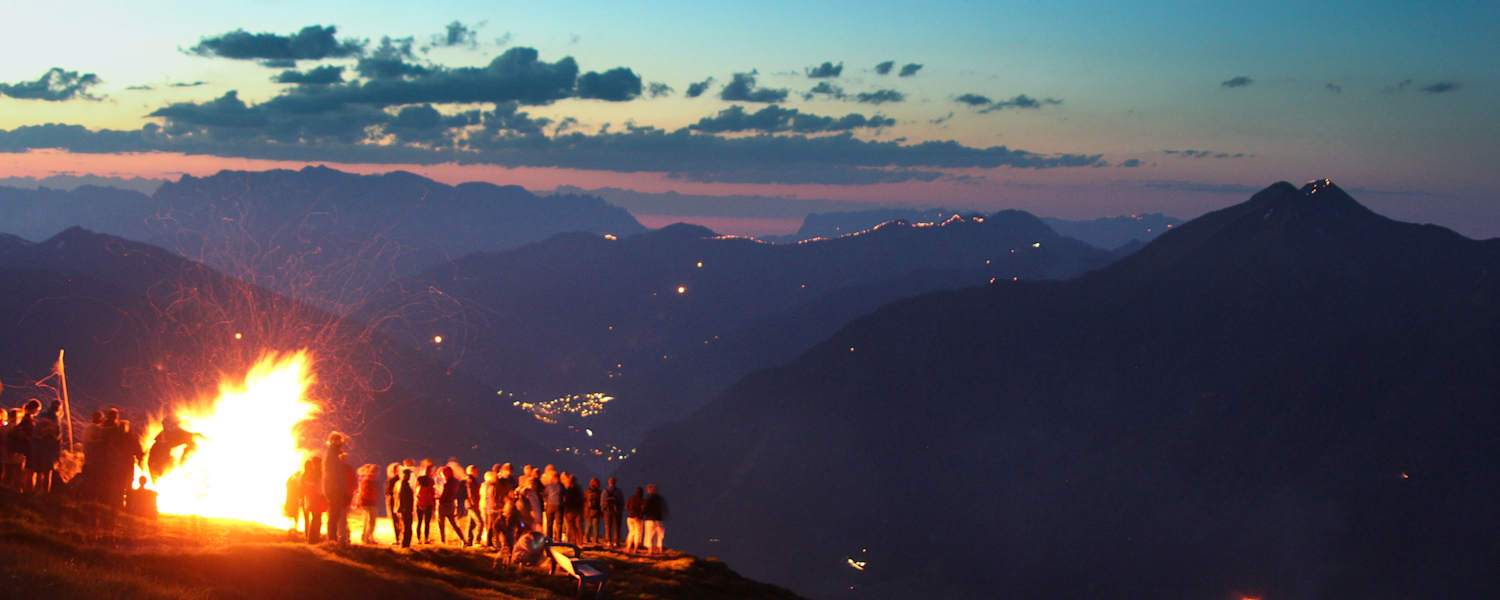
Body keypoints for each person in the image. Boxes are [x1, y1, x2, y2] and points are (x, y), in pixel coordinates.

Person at [323, 432, 355, 545]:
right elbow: (331, 474)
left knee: (336, 515)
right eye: (337, 440)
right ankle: (331, 539)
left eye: (340, 440)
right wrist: (330, 490)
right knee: (333, 515)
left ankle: (333, 538)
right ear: (332, 441)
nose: (340, 442)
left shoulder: (336, 454)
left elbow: (341, 475)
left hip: (338, 489)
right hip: (334, 490)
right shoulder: (331, 455)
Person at [146, 416, 200, 481]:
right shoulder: (158, 445)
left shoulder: (170, 436)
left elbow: (185, 437)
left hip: (163, 465)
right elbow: (151, 461)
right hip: (159, 468)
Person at [27, 400, 61, 494]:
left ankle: (34, 491)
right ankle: (45, 494)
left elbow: (35, 430)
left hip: (36, 446)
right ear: (58, 408)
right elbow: (57, 435)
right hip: (48, 448)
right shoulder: (55, 418)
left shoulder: (41, 415)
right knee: (47, 473)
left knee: (38, 471)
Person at [436, 465, 465, 545]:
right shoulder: (455, 482)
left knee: (441, 524)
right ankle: (463, 539)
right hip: (451, 504)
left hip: (444, 505)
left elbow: (444, 495)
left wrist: (438, 497)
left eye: (442, 474)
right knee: (454, 524)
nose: (441, 476)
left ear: (445, 473)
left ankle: (443, 540)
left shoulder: (447, 483)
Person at [301, 457, 326, 544]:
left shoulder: (310, 474)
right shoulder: (317, 473)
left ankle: (312, 539)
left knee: (316, 518)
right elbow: (318, 486)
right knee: (317, 518)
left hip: (312, 499)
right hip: (316, 499)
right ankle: (313, 539)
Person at [355, 464, 380, 544]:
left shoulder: (367, 479)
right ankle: (367, 538)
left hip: (368, 502)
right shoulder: (369, 480)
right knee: (371, 521)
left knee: (367, 521)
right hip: (369, 502)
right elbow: (366, 492)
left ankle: (367, 537)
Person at [642, 483, 669, 555]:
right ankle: (660, 550)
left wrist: (642, 514)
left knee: (649, 535)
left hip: (650, 519)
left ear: (649, 490)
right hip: (659, 519)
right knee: (660, 535)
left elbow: (644, 509)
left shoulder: (648, 499)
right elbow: (664, 509)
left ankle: (650, 551)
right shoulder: (660, 499)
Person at [395, 467, 415, 548]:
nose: (409, 476)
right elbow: (401, 496)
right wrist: (404, 508)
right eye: (407, 474)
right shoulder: (403, 484)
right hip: (405, 509)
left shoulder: (401, 483)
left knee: (405, 527)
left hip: (403, 509)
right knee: (406, 527)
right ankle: (405, 544)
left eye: (409, 474)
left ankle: (405, 544)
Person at [561, 472, 584, 543]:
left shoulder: (568, 490)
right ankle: (579, 541)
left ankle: (573, 541)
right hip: (577, 510)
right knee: (578, 527)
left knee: (572, 527)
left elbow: (566, 500)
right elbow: (582, 500)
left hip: (570, 511)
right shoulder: (579, 490)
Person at [602, 477, 624, 547]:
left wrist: (603, 509)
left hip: (607, 511)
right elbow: (621, 501)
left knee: (607, 526)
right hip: (616, 511)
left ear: (609, 482)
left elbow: (602, 501)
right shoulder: (618, 491)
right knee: (616, 527)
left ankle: (608, 541)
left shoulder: (605, 491)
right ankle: (616, 542)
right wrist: (620, 510)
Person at [542, 469, 563, 540]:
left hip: (550, 505)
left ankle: (549, 538)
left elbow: (544, 494)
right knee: (559, 523)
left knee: (549, 523)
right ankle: (559, 538)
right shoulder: (561, 486)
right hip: (559, 505)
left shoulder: (549, 486)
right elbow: (564, 495)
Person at [385, 462, 402, 543]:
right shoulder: (397, 479)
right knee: (398, 520)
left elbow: (388, 492)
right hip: (396, 500)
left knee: (396, 520)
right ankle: (399, 537)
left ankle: (399, 538)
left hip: (395, 501)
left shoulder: (393, 480)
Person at [415, 473, 436, 543]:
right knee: (427, 523)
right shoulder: (429, 488)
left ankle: (419, 539)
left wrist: (420, 505)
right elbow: (430, 497)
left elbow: (417, 497)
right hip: (428, 506)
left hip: (419, 506)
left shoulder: (418, 488)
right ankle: (426, 539)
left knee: (419, 522)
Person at [284, 465, 304, 534]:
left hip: (292, 500)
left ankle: (293, 528)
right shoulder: (293, 482)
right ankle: (293, 528)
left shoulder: (292, 482)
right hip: (293, 500)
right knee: (293, 514)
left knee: (293, 514)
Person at [624, 487, 644, 553]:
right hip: (638, 519)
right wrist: (637, 515)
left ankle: (628, 547)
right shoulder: (642, 500)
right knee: (638, 533)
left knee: (631, 532)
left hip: (630, 518)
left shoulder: (631, 498)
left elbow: (626, 507)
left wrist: (632, 513)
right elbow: (643, 510)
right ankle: (635, 548)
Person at [583, 477, 603, 543]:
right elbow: (601, 502)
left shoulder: (586, 492)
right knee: (596, 527)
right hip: (596, 511)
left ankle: (586, 538)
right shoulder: (599, 493)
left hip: (588, 511)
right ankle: (595, 539)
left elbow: (583, 501)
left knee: (588, 526)